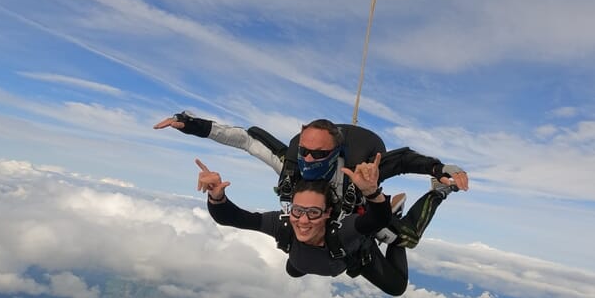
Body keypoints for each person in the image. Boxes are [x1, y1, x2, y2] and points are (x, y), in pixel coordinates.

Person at [155, 113, 468, 247]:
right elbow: (246, 139)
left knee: (407, 240)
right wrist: (192, 124)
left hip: (358, 211)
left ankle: (437, 195)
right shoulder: (290, 167)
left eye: (318, 154)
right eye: (304, 151)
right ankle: (387, 207)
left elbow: (403, 160)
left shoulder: (360, 172)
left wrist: (440, 171)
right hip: (323, 221)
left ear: (336, 152)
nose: (307, 159)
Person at [196, 153, 468, 296]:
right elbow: (235, 218)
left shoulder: (343, 231)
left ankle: (434, 194)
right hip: (324, 257)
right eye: (298, 210)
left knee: (402, 256)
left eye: (313, 213)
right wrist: (217, 197)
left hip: (355, 253)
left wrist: (374, 195)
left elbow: (375, 219)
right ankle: (385, 216)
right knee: (295, 269)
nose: (303, 220)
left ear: (328, 214)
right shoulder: (285, 225)